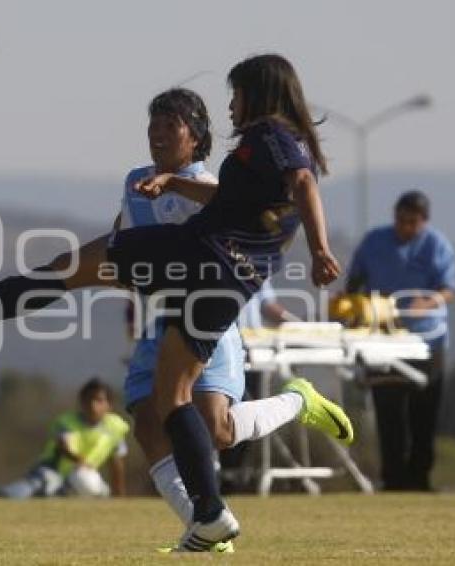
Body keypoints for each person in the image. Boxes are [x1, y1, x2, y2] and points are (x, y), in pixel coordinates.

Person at [0, 54, 350, 551]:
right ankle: (210, 517)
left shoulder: (269, 136)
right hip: (222, 279)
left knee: (65, 275)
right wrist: (169, 186)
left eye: (235, 94)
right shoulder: (252, 153)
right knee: (165, 403)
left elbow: (301, 183)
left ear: (258, 93)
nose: (231, 104)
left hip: (198, 260)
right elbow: (236, 203)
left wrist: (320, 249)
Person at [118, 89, 331, 551]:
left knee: (215, 430)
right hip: (157, 322)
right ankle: (207, 528)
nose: (157, 133)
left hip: (208, 322)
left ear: (195, 137)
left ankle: (296, 401)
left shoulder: (210, 184)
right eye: (152, 124)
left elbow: (232, 209)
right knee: (148, 425)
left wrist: (174, 183)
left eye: (169, 125)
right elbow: (123, 238)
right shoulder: (135, 182)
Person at [346, 190, 455, 491]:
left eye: (411, 222)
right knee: (388, 410)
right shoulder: (375, 241)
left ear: (423, 221)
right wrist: (353, 306)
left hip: (427, 341)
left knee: (424, 412)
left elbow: (448, 289)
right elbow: (354, 282)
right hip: (383, 338)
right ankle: (392, 478)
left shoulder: (436, 246)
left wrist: (428, 301)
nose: (404, 227)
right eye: (400, 220)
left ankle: (420, 478)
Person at [0, 378, 128, 498]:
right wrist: (79, 460)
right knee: (38, 484)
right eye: (88, 400)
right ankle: (4, 495)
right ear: (81, 402)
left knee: (99, 492)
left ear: (109, 405)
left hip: (84, 477)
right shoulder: (67, 422)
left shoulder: (115, 427)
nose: (93, 405)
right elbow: (63, 446)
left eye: (99, 400)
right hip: (54, 470)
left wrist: (119, 496)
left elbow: (117, 464)